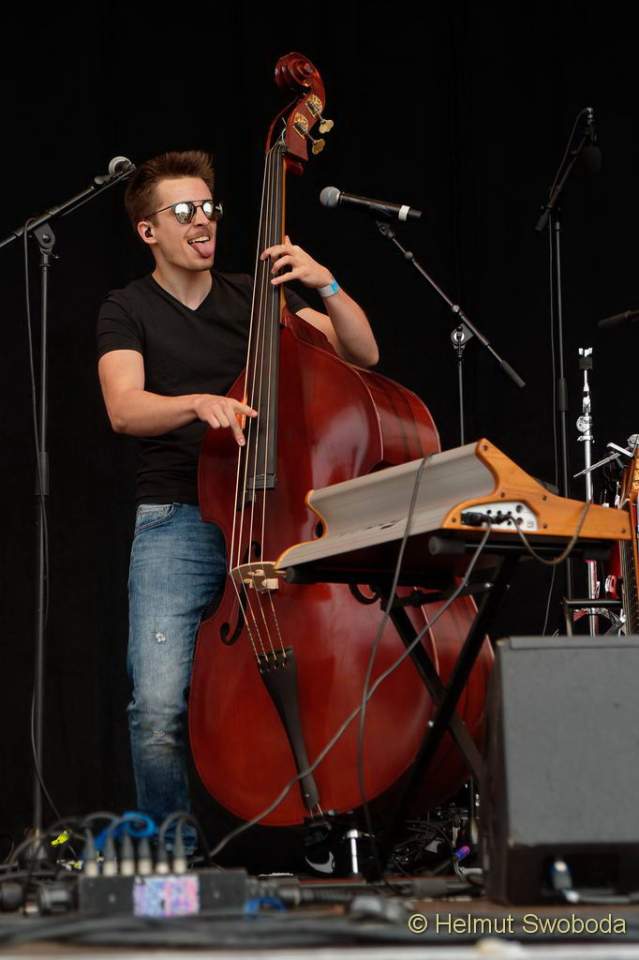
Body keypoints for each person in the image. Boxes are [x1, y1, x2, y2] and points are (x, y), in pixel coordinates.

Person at [96, 150, 379, 852]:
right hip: (177, 519)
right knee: (155, 705)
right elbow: (125, 409)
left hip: (276, 516)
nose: (203, 221)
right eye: (183, 211)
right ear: (148, 231)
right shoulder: (126, 309)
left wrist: (326, 282)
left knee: (319, 674)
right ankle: (174, 856)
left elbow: (362, 354)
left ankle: (325, 825)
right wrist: (197, 403)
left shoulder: (258, 299)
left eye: (209, 208)